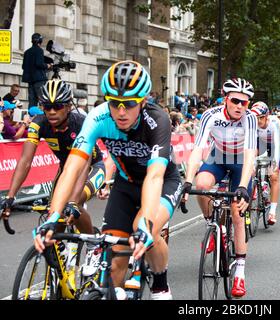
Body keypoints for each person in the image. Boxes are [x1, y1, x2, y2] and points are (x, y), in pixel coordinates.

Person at [32, 61, 182, 300]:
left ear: (143, 101)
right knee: (114, 264)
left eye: (129, 104)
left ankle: (160, 285)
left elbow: (154, 176)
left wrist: (145, 225)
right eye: (114, 103)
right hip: (125, 184)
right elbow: (71, 168)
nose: (121, 112)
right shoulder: (98, 117)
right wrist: (52, 217)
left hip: (163, 182)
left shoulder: (157, 120)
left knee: (142, 230)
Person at [2, 80, 106, 274]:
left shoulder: (81, 123)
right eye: (47, 106)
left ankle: (93, 245)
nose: (51, 112)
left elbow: (82, 165)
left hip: (91, 167)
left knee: (73, 203)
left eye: (57, 106)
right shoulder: (38, 123)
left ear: (68, 106)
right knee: (54, 214)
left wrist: (73, 201)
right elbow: (25, 161)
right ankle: (61, 265)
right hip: (65, 168)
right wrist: (10, 196)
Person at [182, 78, 257, 298]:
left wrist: (243, 186)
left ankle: (240, 273)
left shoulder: (250, 119)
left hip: (240, 163)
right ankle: (213, 225)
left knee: (237, 211)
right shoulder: (210, 115)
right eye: (235, 101)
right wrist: (187, 181)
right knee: (202, 184)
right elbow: (198, 149)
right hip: (218, 157)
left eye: (245, 103)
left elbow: (251, 153)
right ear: (226, 99)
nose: (240, 106)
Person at [251, 101, 280, 225]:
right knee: (251, 165)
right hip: (261, 144)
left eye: (261, 118)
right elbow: (250, 144)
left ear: (267, 116)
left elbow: (277, 142)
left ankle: (272, 212)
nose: (258, 121)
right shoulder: (252, 124)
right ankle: (257, 186)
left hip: (274, 146)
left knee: (274, 176)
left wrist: (274, 162)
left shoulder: (274, 123)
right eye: (256, 118)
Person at [22, 33, 52, 107]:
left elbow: (23, 66)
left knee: (32, 102)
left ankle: (31, 117)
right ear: (40, 41)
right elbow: (39, 64)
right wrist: (48, 65)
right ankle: (43, 117)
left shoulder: (27, 52)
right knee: (43, 100)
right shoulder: (39, 51)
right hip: (39, 80)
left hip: (30, 81)